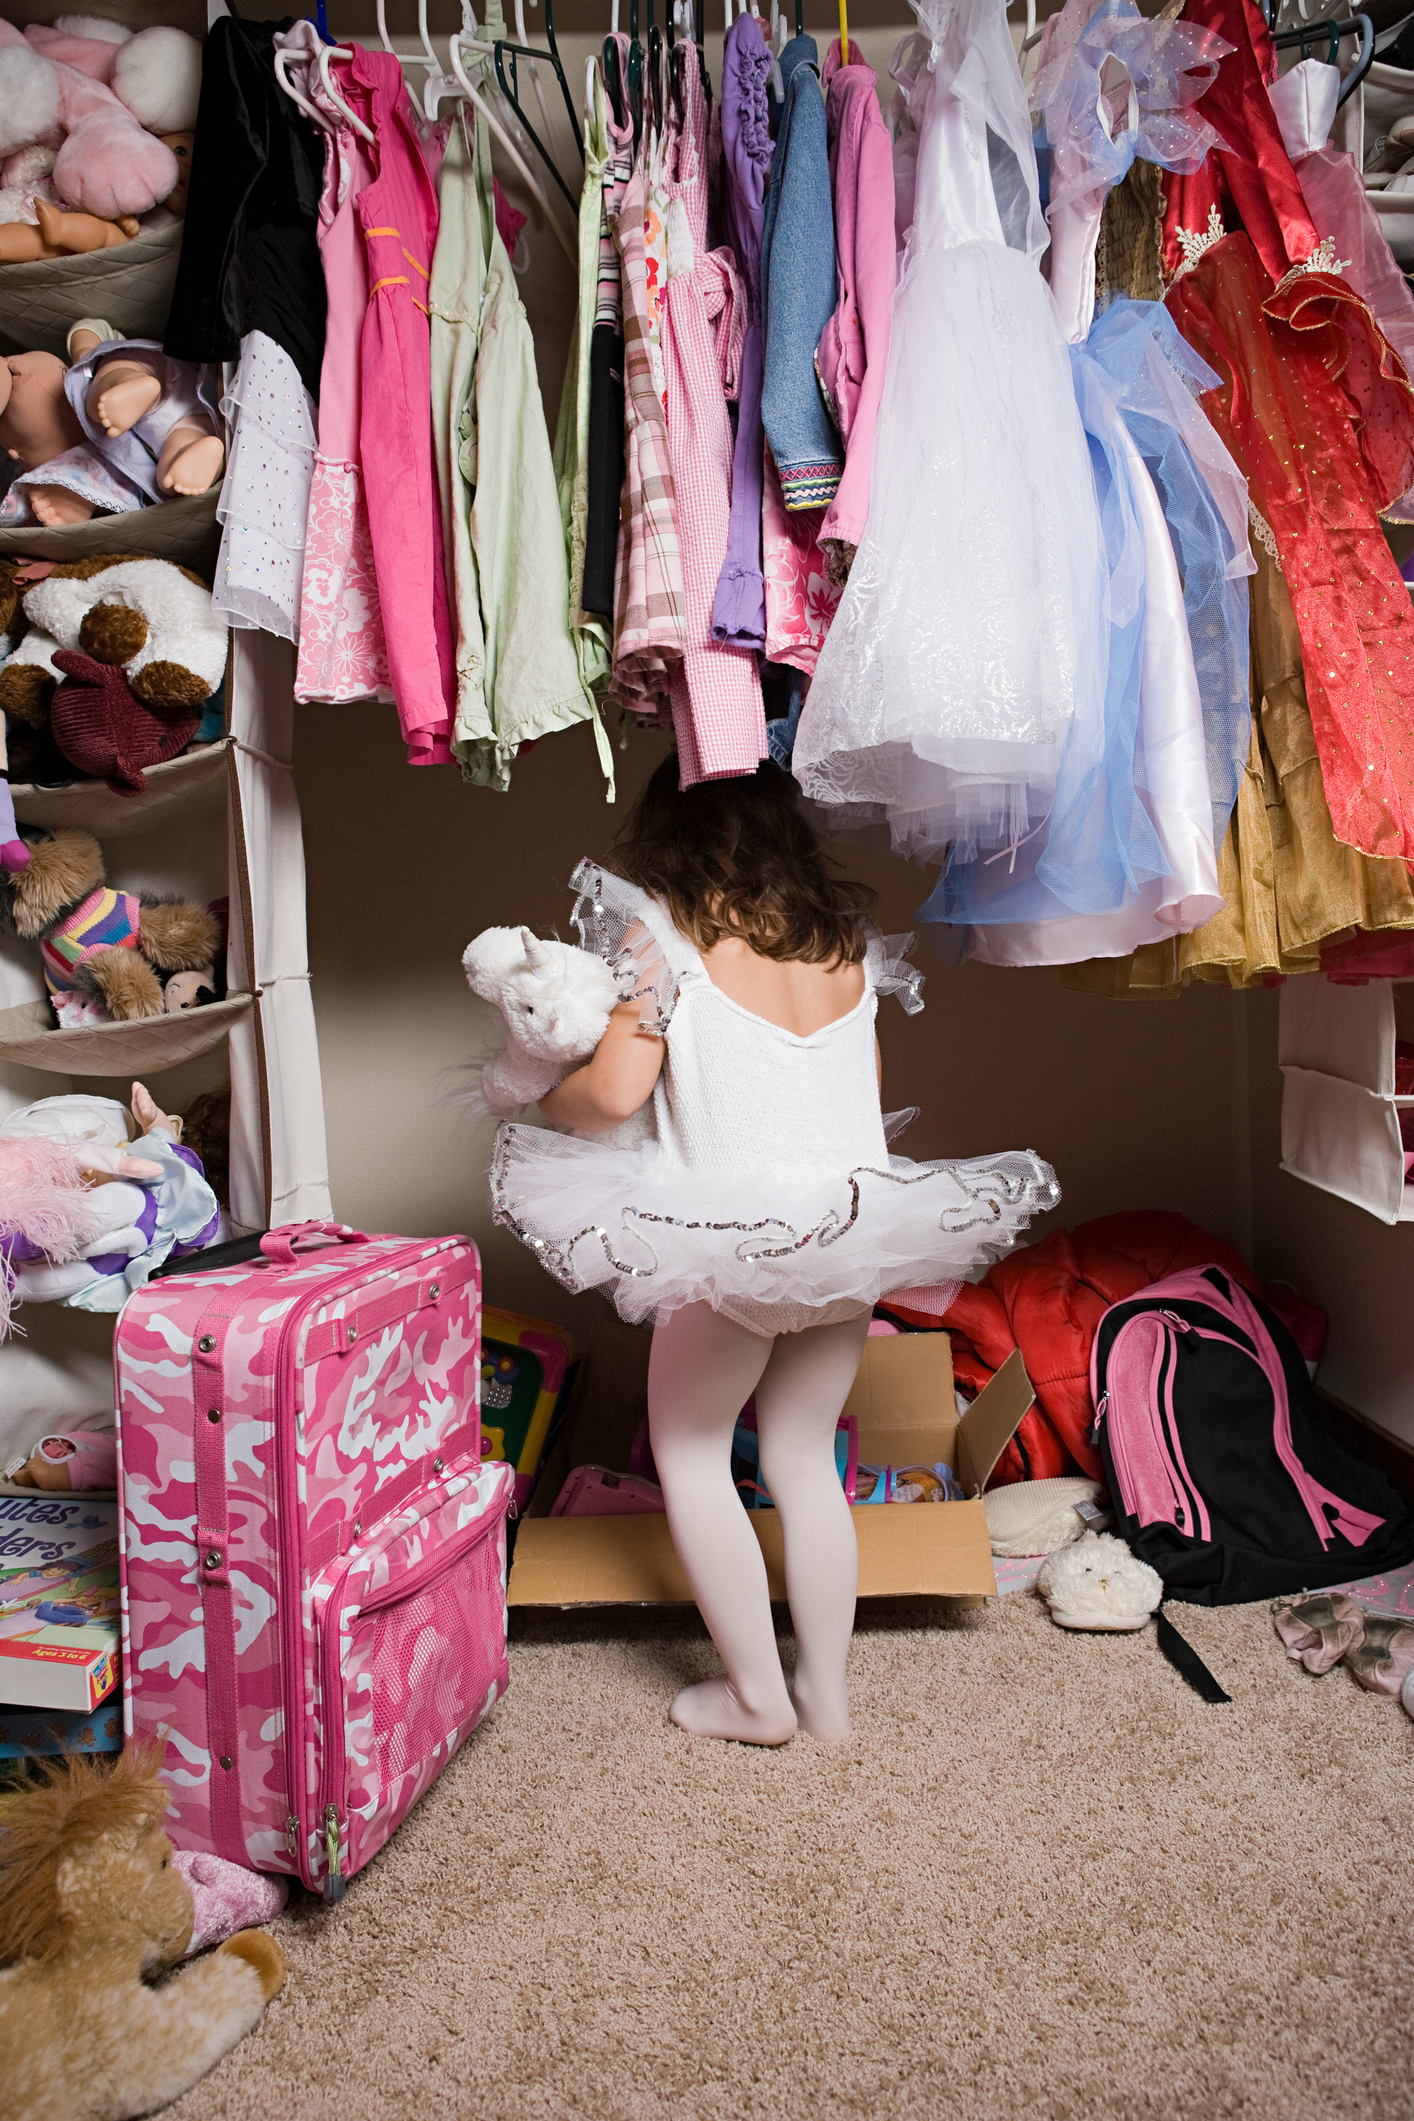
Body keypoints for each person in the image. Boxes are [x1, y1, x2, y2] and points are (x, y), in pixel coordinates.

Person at [492, 758, 1058, 1746]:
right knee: (802, 1461)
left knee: (693, 1453)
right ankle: (825, 1698)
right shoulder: (843, 946)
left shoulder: (660, 931)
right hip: (845, 1235)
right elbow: (863, 1101)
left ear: (672, 834)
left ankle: (757, 1698)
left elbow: (617, 1094)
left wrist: (540, 1099)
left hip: (727, 1247)